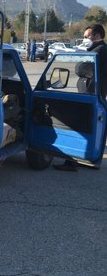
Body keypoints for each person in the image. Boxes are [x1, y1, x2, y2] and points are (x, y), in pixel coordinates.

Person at [54, 24, 107, 172]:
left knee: (78, 127)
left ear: (96, 36)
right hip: (92, 93)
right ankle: (90, 158)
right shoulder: (99, 49)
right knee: (91, 128)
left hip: (90, 95)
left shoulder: (99, 50)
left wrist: (83, 54)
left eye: (86, 36)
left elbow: (80, 69)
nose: (84, 39)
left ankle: (72, 162)